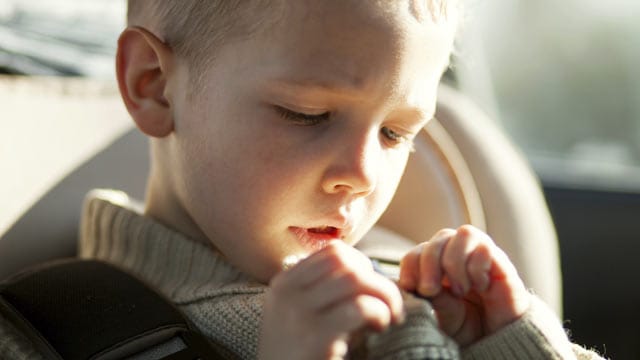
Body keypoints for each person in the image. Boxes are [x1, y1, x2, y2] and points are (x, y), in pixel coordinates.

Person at [0, 0, 605, 359]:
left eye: (396, 133)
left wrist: (512, 341)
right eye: (307, 115)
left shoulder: (412, 281)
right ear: (153, 84)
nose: (364, 176)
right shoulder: (48, 332)